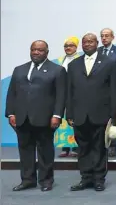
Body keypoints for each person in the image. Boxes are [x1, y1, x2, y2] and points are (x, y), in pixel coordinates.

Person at [6, 40, 66, 192]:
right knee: (25, 150)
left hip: (45, 119)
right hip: (22, 118)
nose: (36, 52)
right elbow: (12, 92)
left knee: (45, 151)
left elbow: (61, 95)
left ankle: (46, 180)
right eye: (33, 49)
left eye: (40, 50)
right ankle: (27, 180)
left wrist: (57, 115)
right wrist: (11, 113)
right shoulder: (19, 69)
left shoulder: (57, 70)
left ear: (47, 52)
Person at [65, 33, 116, 192]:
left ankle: (99, 179)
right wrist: (69, 113)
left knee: (99, 148)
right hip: (79, 114)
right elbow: (69, 91)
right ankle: (85, 178)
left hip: (101, 113)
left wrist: (114, 115)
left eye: (91, 41)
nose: (87, 44)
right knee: (83, 148)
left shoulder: (109, 62)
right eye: (85, 42)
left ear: (97, 43)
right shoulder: (74, 65)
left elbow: (114, 90)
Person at [97, 28, 116, 158]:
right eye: (102, 36)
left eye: (107, 36)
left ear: (112, 37)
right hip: (99, 91)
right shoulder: (96, 51)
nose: (104, 38)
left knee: (113, 120)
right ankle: (99, 146)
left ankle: (114, 146)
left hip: (113, 91)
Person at [56, 36, 80, 158]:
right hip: (62, 93)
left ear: (76, 47)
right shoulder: (60, 60)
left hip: (76, 94)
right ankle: (65, 148)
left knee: (75, 120)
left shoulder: (80, 59)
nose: (68, 48)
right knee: (63, 122)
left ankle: (76, 147)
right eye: (66, 46)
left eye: (71, 45)